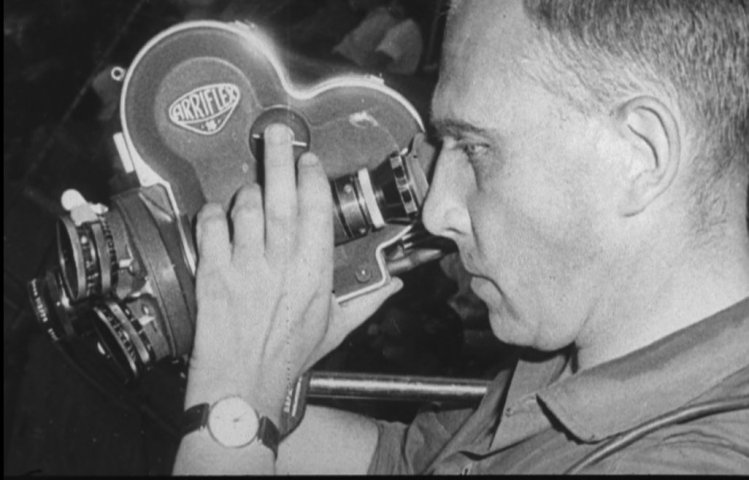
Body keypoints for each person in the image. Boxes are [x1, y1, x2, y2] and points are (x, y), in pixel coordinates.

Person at [173, 0, 749, 474]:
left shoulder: (699, 459)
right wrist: (253, 372)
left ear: (640, 155)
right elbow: (403, 463)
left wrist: (232, 410)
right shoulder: (572, 351)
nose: (436, 213)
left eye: (476, 150)